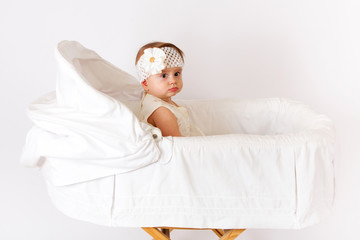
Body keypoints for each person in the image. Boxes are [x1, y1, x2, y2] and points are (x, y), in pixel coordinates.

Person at [135, 42, 204, 137]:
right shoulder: (162, 112)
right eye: (163, 75)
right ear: (145, 84)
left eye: (176, 74)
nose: (173, 81)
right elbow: (177, 146)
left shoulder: (159, 102)